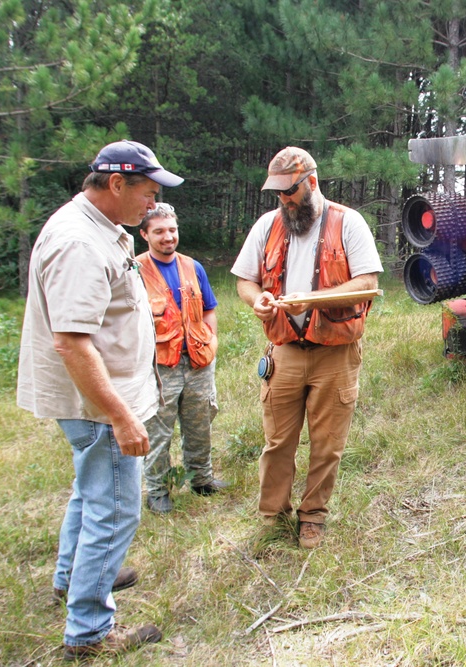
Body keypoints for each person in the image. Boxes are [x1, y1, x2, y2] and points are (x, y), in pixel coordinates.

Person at [17, 140, 183, 660]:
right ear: (117, 184)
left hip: (100, 399)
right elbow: (71, 341)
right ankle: (89, 630)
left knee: (90, 493)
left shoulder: (98, 228)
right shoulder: (78, 243)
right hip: (98, 405)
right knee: (114, 510)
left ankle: (76, 577)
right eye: (148, 194)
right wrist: (121, 417)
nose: (152, 208)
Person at [232, 146, 383, 549]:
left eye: (289, 191)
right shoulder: (267, 225)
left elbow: (368, 284)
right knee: (278, 440)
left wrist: (312, 299)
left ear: (311, 183)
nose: (283, 200)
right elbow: (244, 281)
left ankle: (313, 516)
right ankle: (273, 516)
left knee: (327, 443)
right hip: (283, 351)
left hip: (335, 354)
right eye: (277, 193)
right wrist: (256, 300)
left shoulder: (349, 223)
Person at [136, 203, 227, 514]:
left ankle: (202, 479)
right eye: (159, 231)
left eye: (172, 230)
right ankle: (158, 491)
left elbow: (209, 308)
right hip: (160, 367)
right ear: (145, 234)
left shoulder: (193, 267)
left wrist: (211, 340)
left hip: (199, 361)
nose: (167, 237)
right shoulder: (135, 270)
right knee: (158, 431)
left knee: (200, 422)